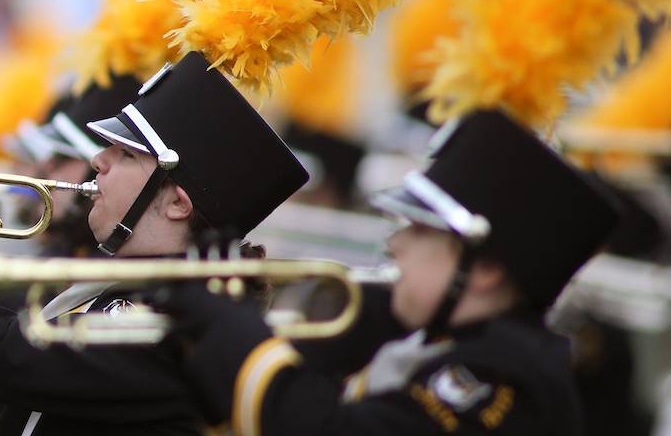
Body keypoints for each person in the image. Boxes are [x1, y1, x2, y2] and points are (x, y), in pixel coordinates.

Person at [0, 52, 309, 435]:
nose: (97, 160)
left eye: (126, 154)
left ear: (177, 203)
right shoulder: (131, 293)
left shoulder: (170, 325)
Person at [155, 110, 619, 436]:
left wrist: (231, 324)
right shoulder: (447, 345)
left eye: (419, 231)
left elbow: (322, 430)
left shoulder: (503, 379)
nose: (394, 244)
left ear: (487, 271)